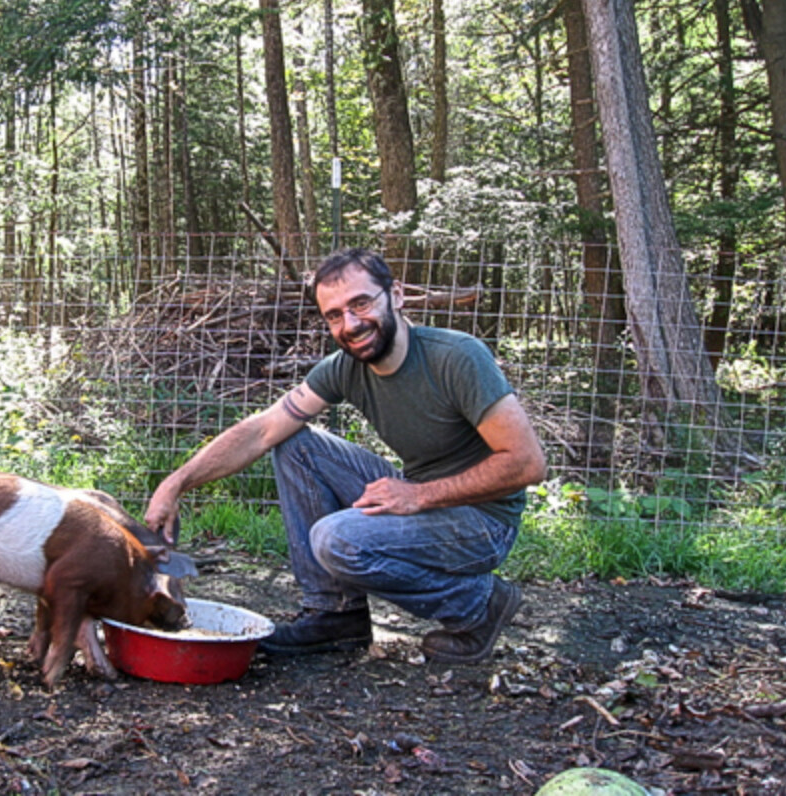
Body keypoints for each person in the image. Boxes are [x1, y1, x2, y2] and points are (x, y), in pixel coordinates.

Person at [144, 248, 547, 663]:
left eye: (361, 303)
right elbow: (262, 430)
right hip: (425, 499)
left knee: (337, 540)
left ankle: (478, 605)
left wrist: (418, 496)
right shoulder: (344, 368)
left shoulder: (457, 357)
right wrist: (176, 484)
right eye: (334, 315)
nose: (350, 325)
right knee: (295, 442)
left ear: (397, 295)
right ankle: (334, 615)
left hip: (483, 522)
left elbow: (527, 463)